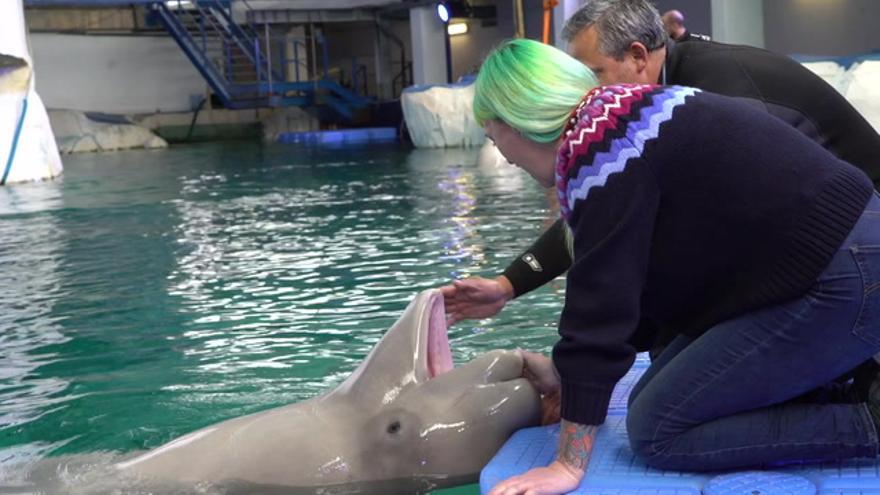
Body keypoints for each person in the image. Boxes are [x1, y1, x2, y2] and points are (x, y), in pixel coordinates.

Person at [476, 37, 880, 495]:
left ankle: (871, 419)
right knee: (654, 390)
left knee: (657, 428)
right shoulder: (625, 113)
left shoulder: (600, 152)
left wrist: (568, 463)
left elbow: (600, 312)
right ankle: (853, 383)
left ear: (517, 120)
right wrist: (567, 376)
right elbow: (643, 288)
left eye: (494, 136)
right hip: (837, 258)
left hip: (849, 276)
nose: (504, 157)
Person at [442, 0, 880, 353]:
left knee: (665, 397)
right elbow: (606, 206)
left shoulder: (711, 94)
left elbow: (756, 229)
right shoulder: (643, 114)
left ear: (636, 57)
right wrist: (510, 282)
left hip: (851, 249)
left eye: (590, 74)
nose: (580, 91)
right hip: (827, 248)